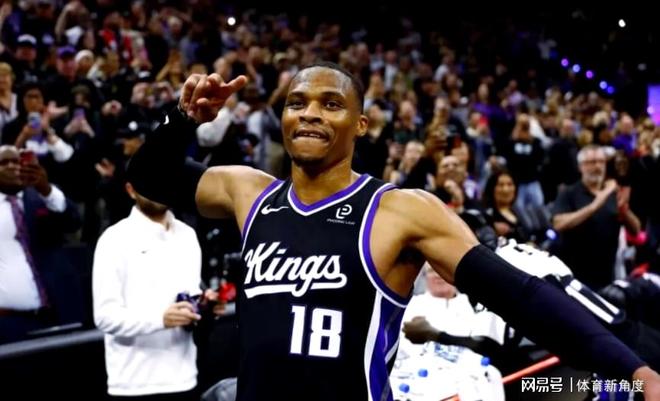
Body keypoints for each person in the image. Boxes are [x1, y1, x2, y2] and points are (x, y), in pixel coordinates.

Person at [128, 63, 660, 401]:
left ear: (360, 125)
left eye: (331, 104)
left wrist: (634, 371)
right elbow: (147, 177)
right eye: (297, 102)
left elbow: (521, 297)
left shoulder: (399, 211)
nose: (309, 114)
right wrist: (182, 121)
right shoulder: (249, 192)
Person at [92, 177, 204, 400]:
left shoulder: (188, 235)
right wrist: (160, 319)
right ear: (131, 190)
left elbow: (190, 300)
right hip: (134, 384)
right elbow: (105, 317)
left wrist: (206, 307)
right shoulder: (113, 239)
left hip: (186, 378)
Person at [0, 144, 81, 344]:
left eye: (16, 161)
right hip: (7, 321)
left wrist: (46, 190)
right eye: (4, 162)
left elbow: (73, 222)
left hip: (56, 313)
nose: (12, 166)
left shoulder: (43, 196)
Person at [552, 145, 641, 290]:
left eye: (601, 161)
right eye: (591, 162)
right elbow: (558, 224)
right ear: (580, 166)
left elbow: (636, 230)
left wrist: (625, 212)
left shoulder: (614, 193)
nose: (597, 166)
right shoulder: (569, 192)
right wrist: (595, 205)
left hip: (606, 272)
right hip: (574, 273)